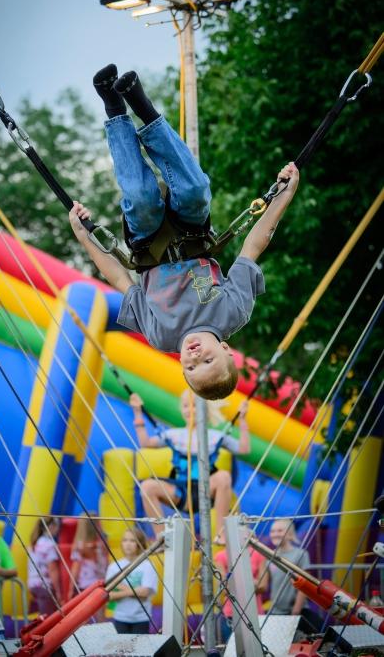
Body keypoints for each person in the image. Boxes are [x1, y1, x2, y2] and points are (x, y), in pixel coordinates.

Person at [69, 65, 299, 400]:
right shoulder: (232, 313)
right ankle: (141, 105)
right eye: (207, 359)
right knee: (194, 189)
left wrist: (83, 236)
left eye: (191, 367)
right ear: (224, 349)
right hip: (193, 237)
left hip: (148, 247)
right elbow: (253, 246)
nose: (194, 356)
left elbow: (120, 280)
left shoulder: (160, 336)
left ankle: (114, 107)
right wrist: (283, 196)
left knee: (140, 198)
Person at [129, 390, 250, 542]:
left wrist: (243, 421)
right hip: (181, 492)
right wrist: (138, 412)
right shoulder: (173, 435)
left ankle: (221, 533)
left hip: (206, 490)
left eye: (194, 406)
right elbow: (145, 443)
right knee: (147, 486)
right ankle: (161, 537)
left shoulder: (215, 436)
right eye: (186, 406)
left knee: (224, 476)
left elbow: (243, 449)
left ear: (204, 409)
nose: (189, 410)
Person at [214, 538, 268, 643]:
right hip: (231, 615)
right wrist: (252, 582)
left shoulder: (258, 555)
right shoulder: (221, 556)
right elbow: (224, 589)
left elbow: (263, 586)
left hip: (256, 613)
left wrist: (234, 583)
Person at [106, 528, 158, 634]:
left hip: (141, 618)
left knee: (140, 650)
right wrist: (136, 592)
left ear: (140, 543)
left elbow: (145, 593)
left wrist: (122, 587)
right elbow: (109, 595)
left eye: (132, 540)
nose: (128, 544)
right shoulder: (114, 567)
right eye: (125, 540)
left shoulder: (147, 566)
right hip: (120, 618)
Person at [68, 514, 107, 620]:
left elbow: (76, 568)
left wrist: (71, 589)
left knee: (83, 615)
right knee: (100, 614)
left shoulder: (80, 545)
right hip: (100, 583)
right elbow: (106, 563)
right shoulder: (102, 543)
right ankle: (103, 634)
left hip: (85, 585)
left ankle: (83, 635)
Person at [27, 516, 62, 615]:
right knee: (47, 617)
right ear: (51, 527)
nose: (58, 529)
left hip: (33, 584)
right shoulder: (49, 545)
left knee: (42, 614)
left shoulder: (35, 542)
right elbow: (52, 569)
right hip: (44, 585)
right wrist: (58, 591)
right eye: (57, 526)